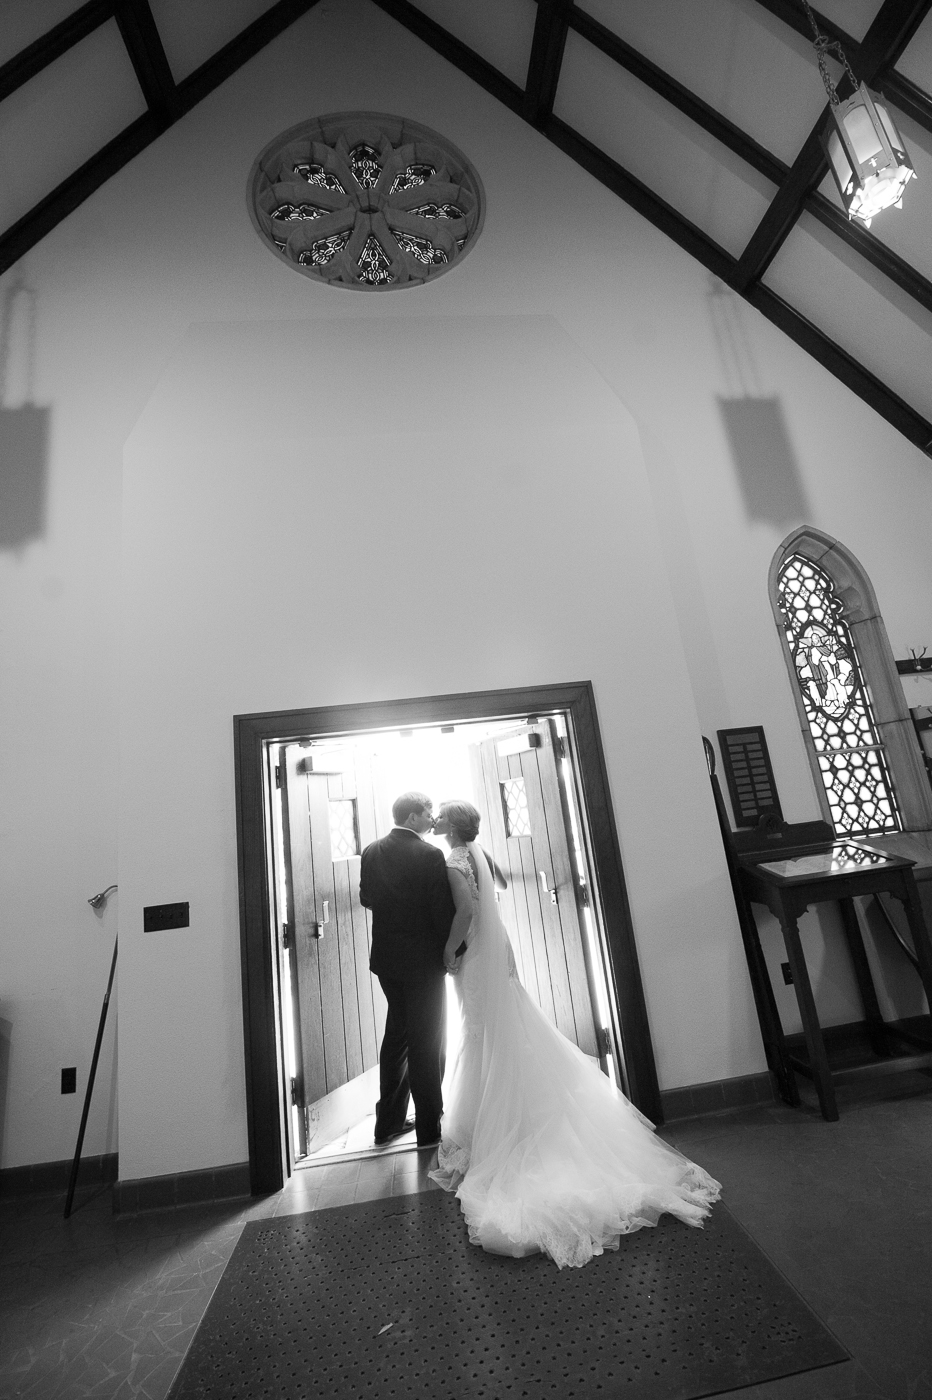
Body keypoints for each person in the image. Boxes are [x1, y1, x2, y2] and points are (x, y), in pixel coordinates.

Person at [429, 799, 722, 1269]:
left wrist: (449, 949)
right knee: (506, 1024)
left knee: (482, 1029)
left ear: (452, 826)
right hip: (497, 948)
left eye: (441, 816)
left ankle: (493, 1118)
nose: (436, 821)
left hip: (477, 953)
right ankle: (507, 1101)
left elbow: (464, 909)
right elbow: (498, 884)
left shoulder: (453, 861)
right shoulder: (478, 854)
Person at [359, 791, 455, 1148]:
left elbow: (366, 898)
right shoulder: (430, 855)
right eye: (428, 812)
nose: (432, 818)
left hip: (386, 961)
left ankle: (387, 1123)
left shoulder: (371, 850)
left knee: (397, 1037)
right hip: (423, 963)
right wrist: (453, 952)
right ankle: (428, 1128)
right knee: (426, 1041)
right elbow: (440, 910)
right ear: (413, 817)